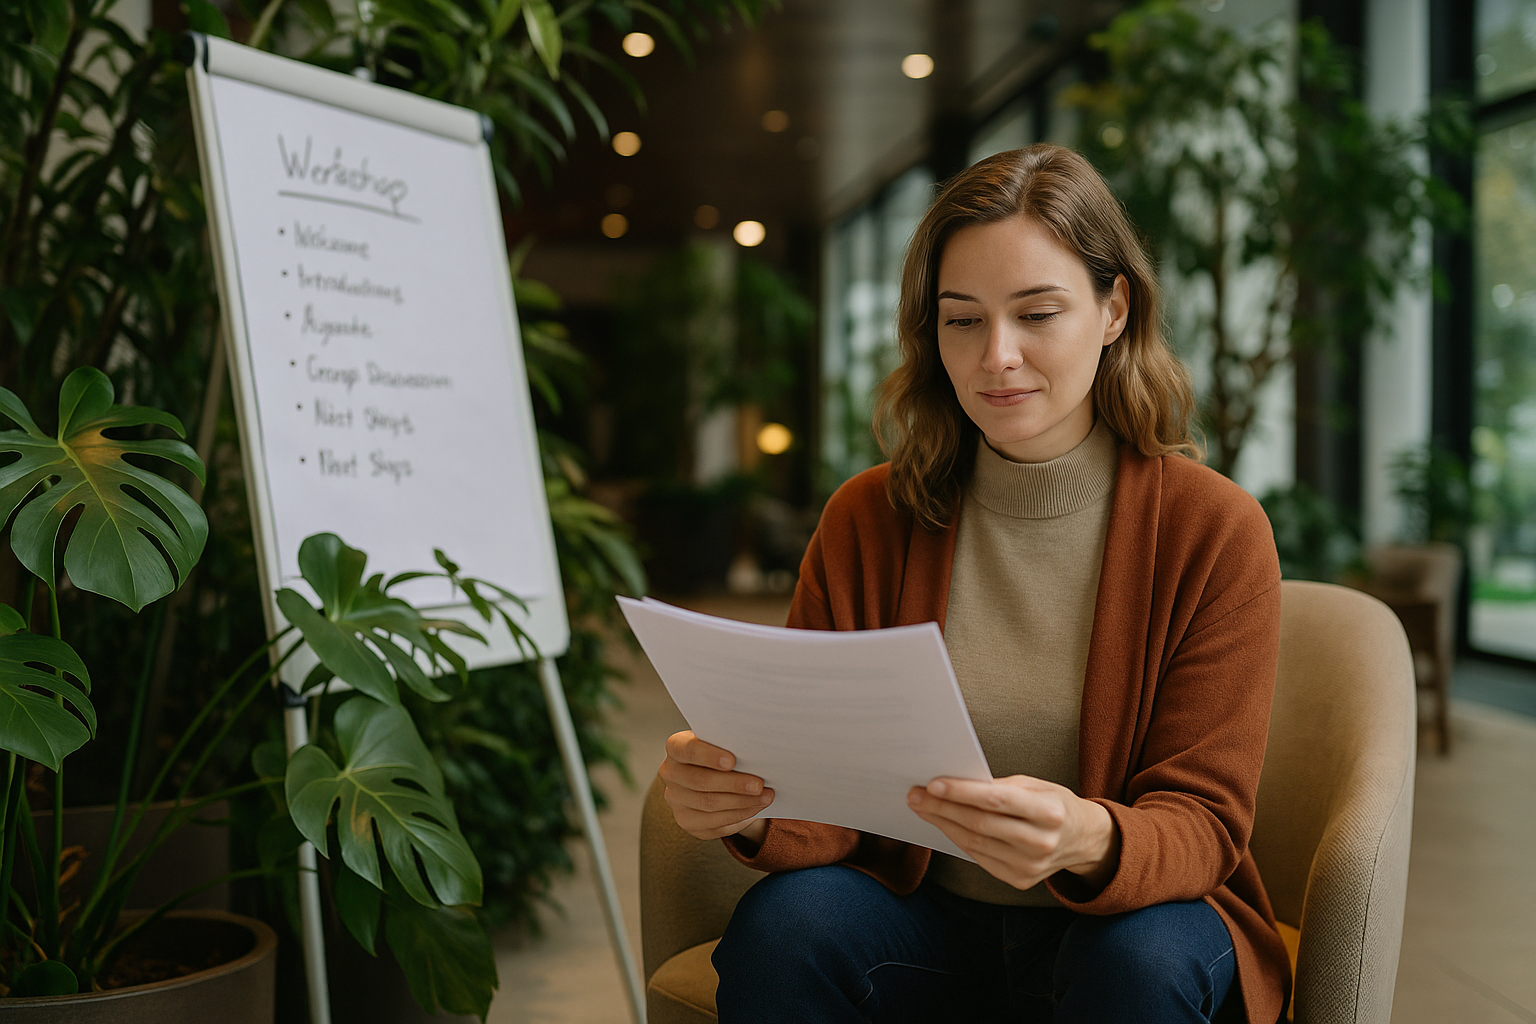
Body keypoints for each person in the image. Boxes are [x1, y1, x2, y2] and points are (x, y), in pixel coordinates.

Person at [657, 144, 1289, 1024]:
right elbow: (828, 785)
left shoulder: (1213, 530)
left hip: (1129, 920)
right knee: (784, 928)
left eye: (1038, 314)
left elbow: (1205, 822)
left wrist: (1089, 836)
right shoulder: (868, 518)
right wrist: (752, 806)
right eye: (963, 320)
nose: (997, 356)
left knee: (1136, 962)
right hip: (930, 921)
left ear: (1114, 309)